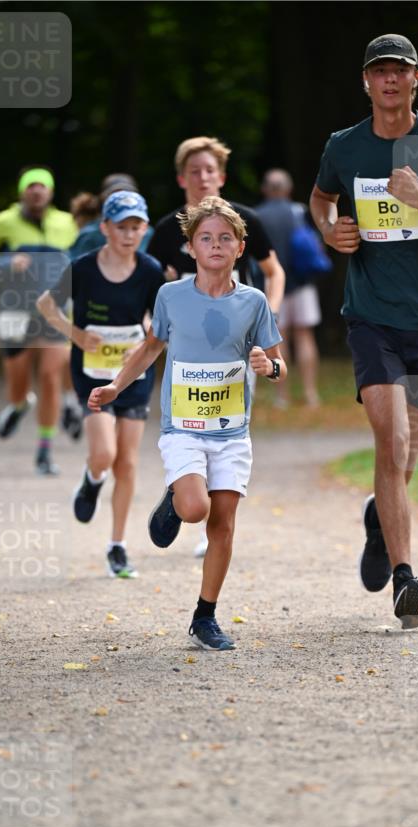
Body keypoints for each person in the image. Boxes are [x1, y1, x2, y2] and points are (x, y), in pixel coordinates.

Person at [310, 33, 418, 627]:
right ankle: (406, 579)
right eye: (378, 71)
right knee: (390, 443)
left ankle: (377, 517)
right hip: (371, 315)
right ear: (366, 82)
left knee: (404, 458)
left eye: (400, 70)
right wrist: (329, 230)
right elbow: (321, 197)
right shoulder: (344, 145)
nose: (389, 80)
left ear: (417, 79)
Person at [88, 197, 286, 649]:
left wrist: (268, 367)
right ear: (191, 247)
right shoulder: (170, 296)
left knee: (222, 524)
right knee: (196, 508)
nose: (215, 245)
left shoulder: (253, 302)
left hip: (232, 433)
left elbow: (278, 364)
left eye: (225, 238)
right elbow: (150, 347)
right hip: (184, 428)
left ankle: (205, 616)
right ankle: (177, 496)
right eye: (205, 238)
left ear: (240, 248)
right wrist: (117, 386)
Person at [147, 136, 285, 557]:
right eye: (195, 171)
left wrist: (266, 321)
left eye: (210, 170)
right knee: (191, 424)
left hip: (239, 346)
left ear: (221, 176)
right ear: (181, 178)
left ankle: (214, 525)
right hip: (188, 350)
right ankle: (184, 493)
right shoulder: (166, 231)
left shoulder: (246, 221)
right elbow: (151, 287)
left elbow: (273, 272)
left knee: (230, 426)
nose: (203, 178)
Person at [37, 190, 163, 578]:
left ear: (144, 229)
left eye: (136, 227)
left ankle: (117, 546)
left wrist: (143, 339)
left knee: (126, 461)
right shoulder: (84, 267)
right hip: (91, 371)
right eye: (121, 227)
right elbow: (45, 304)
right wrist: (75, 334)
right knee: (104, 454)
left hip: (134, 373)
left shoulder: (150, 270)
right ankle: (92, 480)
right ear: (105, 227)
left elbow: (158, 321)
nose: (129, 235)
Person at [0, 166, 78, 474]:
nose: (37, 191)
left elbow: (83, 258)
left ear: (50, 192)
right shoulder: (4, 221)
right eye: (31, 186)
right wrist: (7, 262)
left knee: (50, 375)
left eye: (42, 186)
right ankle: (20, 405)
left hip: (55, 311)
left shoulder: (66, 222)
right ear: (22, 191)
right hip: (14, 310)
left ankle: (44, 451)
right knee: (18, 382)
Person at [257, 168, 324, 408]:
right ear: (288, 189)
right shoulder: (300, 211)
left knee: (278, 338)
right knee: (305, 336)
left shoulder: (258, 216)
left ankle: (281, 397)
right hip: (302, 282)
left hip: (272, 284)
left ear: (265, 189)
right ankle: (310, 394)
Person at [69, 173, 155, 261]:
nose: (121, 201)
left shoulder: (149, 234)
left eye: (127, 196)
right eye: (114, 196)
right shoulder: (89, 234)